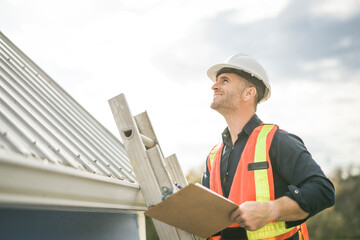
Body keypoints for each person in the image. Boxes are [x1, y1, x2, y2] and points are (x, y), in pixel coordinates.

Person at [201, 53, 335, 240]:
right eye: (217, 81)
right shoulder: (213, 157)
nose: (214, 86)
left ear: (249, 93)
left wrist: (271, 210)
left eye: (224, 80)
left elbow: (323, 191)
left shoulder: (277, 141)